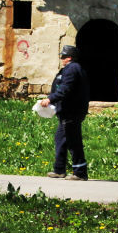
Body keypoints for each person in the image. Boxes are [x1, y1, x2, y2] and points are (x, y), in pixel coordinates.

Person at [41, 43, 90, 180]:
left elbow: (65, 89)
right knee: (61, 140)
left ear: (69, 57)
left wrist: (50, 99)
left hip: (71, 111)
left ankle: (80, 173)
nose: (61, 59)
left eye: (63, 56)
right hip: (67, 111)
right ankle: (59, 170)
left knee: (73, 140)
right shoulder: (71, 69)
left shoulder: (72, 69)